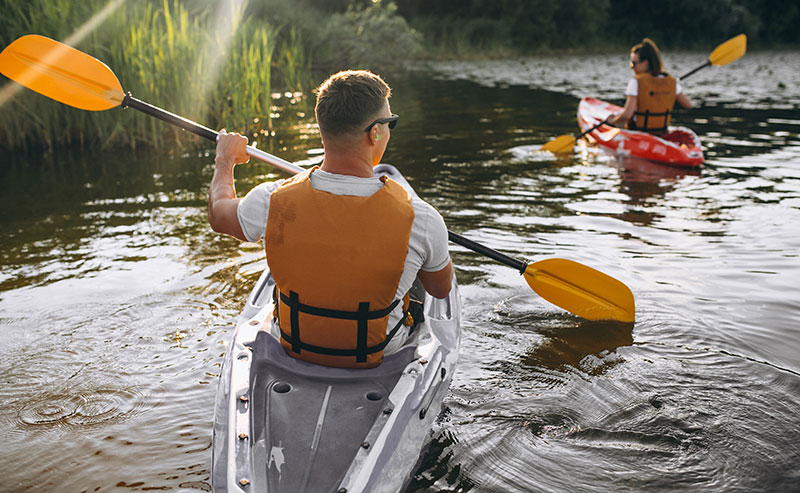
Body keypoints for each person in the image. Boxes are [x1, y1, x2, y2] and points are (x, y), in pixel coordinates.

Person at [207, 70, 453, 369]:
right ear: (375, 132)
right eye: (390, 123)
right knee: (418, 273)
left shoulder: (272, 199)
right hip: (380, 355)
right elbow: (440, 290)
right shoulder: (422, 218)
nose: (389, 130)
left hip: (294, 347)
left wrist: (225, 160)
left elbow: (219, 215)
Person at [607, 38, 691, 133]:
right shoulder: (671, 81)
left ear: (646, 63)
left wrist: (612, 122)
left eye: (634, 63)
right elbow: (687, 104)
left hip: (639, 133)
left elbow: (627, 115)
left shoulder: (636, 82)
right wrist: (672, 89)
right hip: (661, 132)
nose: (632, 67)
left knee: (618, 122)